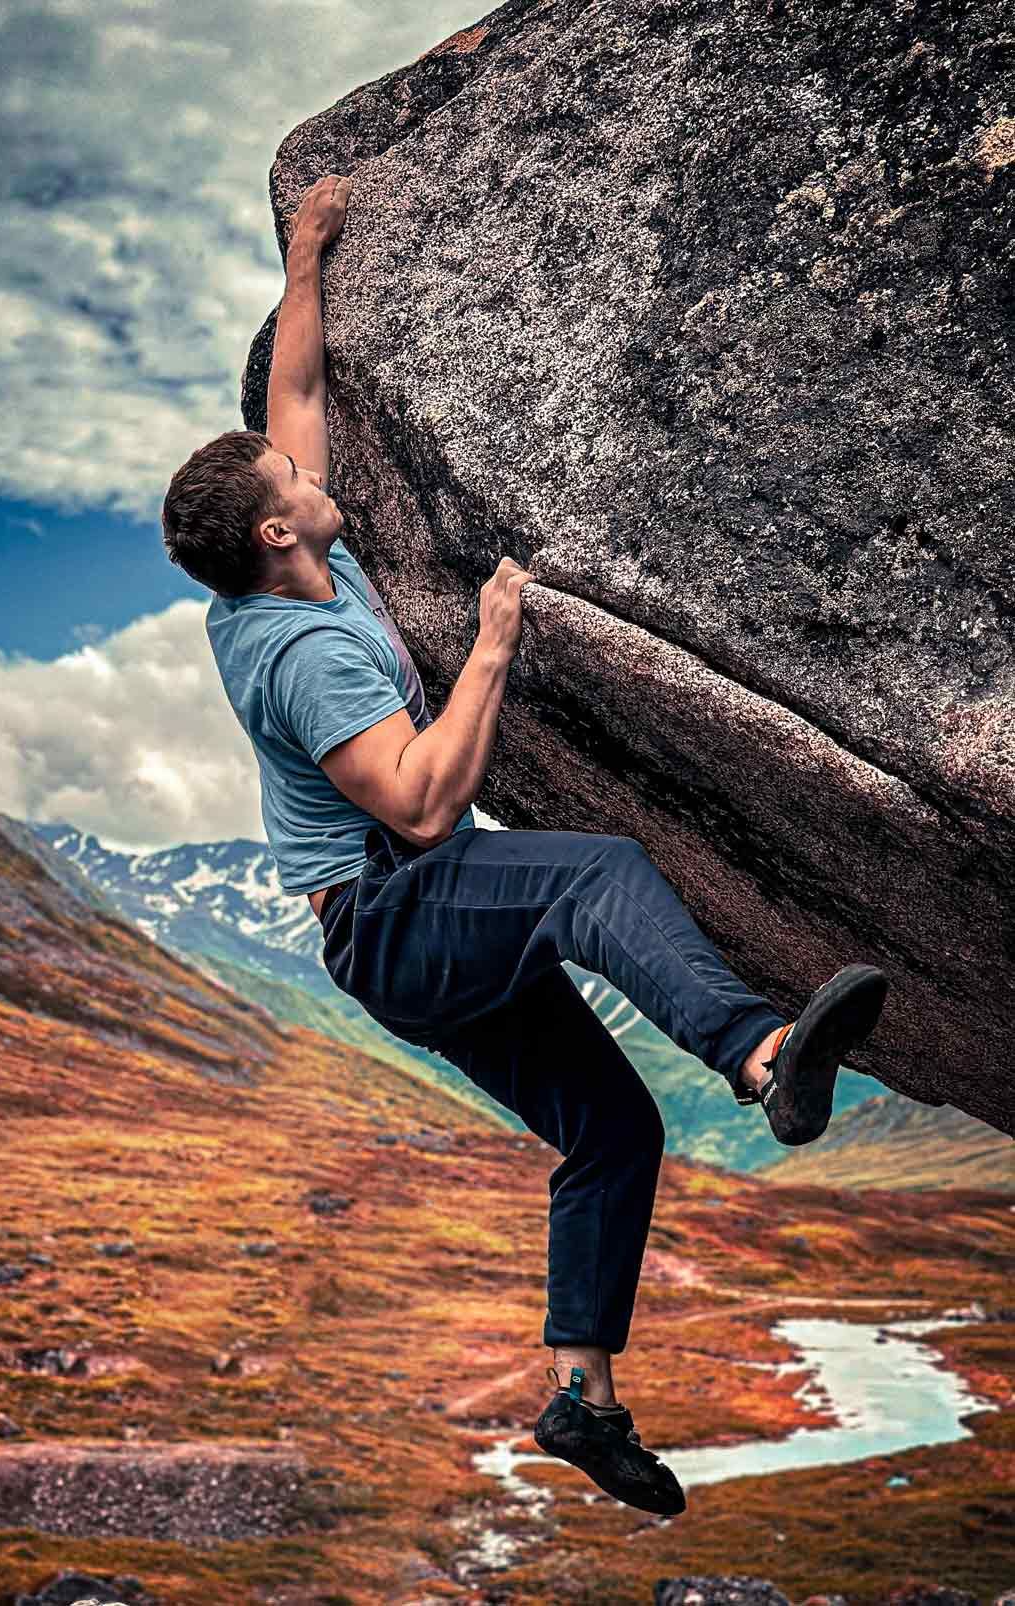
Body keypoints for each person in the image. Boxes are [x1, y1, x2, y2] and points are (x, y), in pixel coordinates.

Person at [160, 173, 889, 1515]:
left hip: (407, 920)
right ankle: (762, 1054)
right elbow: (425, 804)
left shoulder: (293, 557)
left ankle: (581, 1399)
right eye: (288, 485)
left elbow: (295, 406)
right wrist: (494, 643)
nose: (306, 469)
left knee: (608, 1126)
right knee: (590, 868)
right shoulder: (303, 650)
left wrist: (308, 252)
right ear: (276, 531)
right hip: (394, 918)